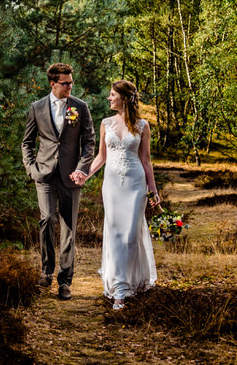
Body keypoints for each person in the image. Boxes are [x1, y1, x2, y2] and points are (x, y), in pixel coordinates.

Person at [71, 79, 160, 310]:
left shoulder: (142, 126)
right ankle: (119, 287)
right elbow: (101, 157)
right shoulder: (105, 124)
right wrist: (84, 174)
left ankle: (123, 288)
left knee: (130, 234)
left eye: (112, 95)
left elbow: (146, 161)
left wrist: (153, 191)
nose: (109, 98)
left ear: (124, 97)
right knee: (115, 233)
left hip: (135, 184)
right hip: (112, 185)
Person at [22, 62, 96, 300]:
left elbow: (89, 142)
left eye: (71, 82)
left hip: (70, 176)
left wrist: (82, 169)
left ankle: (65, 282)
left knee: (69, 228)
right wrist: (31, 168)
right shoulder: (37, 107)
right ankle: (46, 271)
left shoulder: (80, 107)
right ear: (53, 84)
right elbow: (27, 142)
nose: (70, 86)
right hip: (44, 174)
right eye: (65, 83)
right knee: (46, 219)